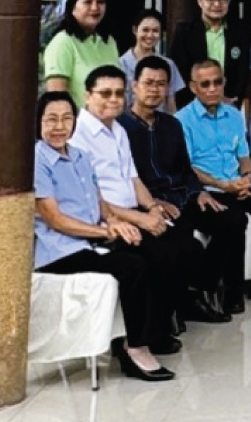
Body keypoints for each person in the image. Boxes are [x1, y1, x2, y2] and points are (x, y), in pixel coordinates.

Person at [33, 91, 174, 382]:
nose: (59, 127)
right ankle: (135, 348)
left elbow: (97, 203)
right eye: (51, 120)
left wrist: (116, 222)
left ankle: (153, 332)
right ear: (39, 123)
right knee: (133, 267)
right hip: (59, 250)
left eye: (66, 119)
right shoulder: (37, 159)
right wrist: (107, 230)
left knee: (157, 251)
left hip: (91, 239)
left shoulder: (80, 156)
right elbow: (55, 220)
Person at [68, 66, 205, 344]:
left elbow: (134, 179)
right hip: (105, 220)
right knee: (157, 255)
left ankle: (165, 321)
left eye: (119, 93)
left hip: (136, 211)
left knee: (185, 246)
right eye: (105, 94)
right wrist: (139, 220)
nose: (113, 100)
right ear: (87, 96)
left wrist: (153, 209)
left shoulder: (118, 130)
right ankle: (148, 335)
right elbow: (91, 196)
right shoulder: (78, 135)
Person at [118, 56, 245, 321]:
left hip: (182, 197)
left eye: (161, 84)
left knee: (232, 219)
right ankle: (180, 304)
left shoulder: (171, 124)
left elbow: (185, 170)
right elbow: (124, 178)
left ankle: (200, 289)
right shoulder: (121, 128)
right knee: (184, 239)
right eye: (149, 83)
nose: (154, 90)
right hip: (148, 204)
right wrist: (152, 203)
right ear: (135, 86)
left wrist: (199, 191)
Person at [177, 58, 251, 303]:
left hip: (239, 183)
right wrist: (225, 186)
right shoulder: (182, 120)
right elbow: (188, 167)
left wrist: (247, 176)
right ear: (193, 87)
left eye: (217, 82)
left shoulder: (233, 115)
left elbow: (244, 154)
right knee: (234, 220)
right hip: (210, 188)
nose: (212, 89)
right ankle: (218, 289)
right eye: (205, 84)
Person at [170, 0, 251, 109]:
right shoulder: (185, 32)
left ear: (229, 1)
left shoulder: (240, 32)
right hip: (193, 106)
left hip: (229, 105)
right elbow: (180, 72)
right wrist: (205, 98)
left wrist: (231, 98)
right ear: (200, 1)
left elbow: (243, 71)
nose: (216, 4)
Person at [44, 0, 119, 107]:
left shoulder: (108, 42)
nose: (95, 7)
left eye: (100, 2)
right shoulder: (63, 43)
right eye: (88, 2)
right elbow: (57, 99)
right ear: (73, 7)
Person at [120, 9, 185, 113]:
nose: (150, 35)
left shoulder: (168, 64)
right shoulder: (119, 64)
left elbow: (170, 102)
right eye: (145, 30)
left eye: (155, 31)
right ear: (135, 30)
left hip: (160, 125)